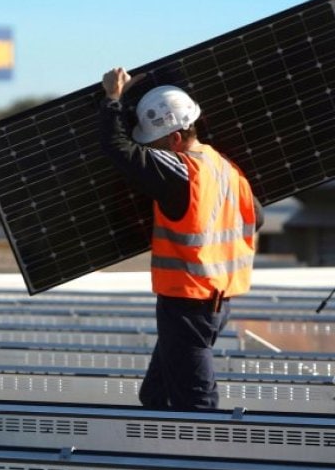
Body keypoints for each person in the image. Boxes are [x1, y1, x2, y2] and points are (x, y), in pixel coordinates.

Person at [99, 67, 263, 410]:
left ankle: (205, 459)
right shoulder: (227, 170)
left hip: (188, 302)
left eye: (156, 143)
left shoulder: (181, 169)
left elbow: (118, 149)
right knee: (156, 395)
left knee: (196, 403)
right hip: (218, 300)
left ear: (175, 138)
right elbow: (256, 218)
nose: (154, 151)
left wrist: (113, 99)